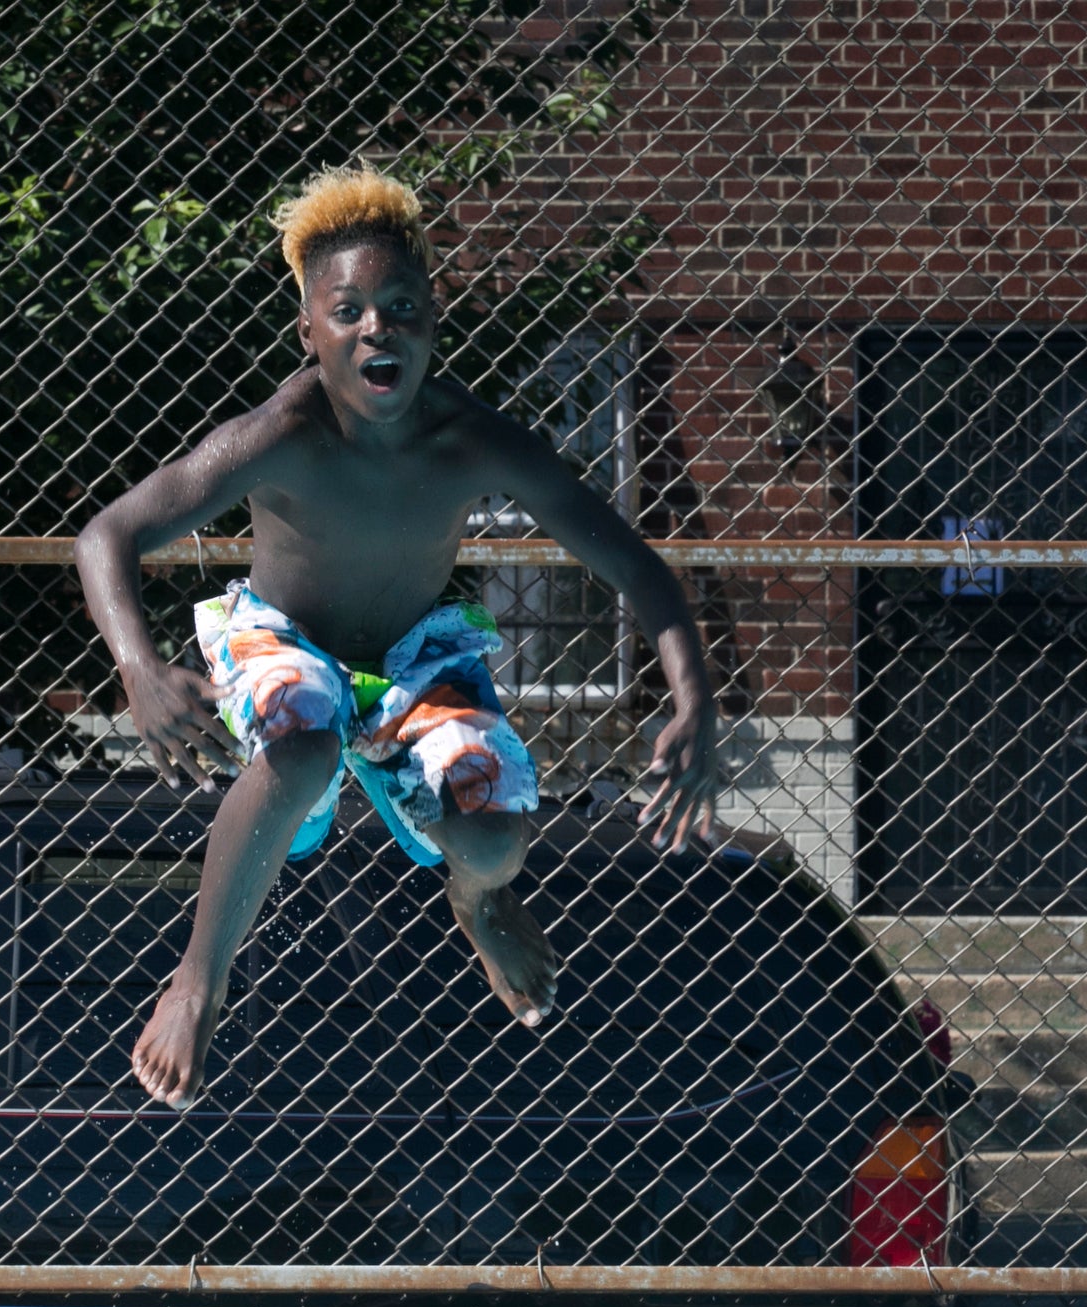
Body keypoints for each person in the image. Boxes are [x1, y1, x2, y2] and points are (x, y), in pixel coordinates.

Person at [75, 165, 725, 1110]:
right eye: (349, 312)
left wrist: (696, 700)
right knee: (302, 742)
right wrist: (138, 668)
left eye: (401, 306)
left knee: (496, 830)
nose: (377, 327)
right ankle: (197, 980)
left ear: (431, 323)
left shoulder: (474, 441)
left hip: (414, 661)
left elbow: (634, 564)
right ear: (311, 334)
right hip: (288, 643)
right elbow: (109, 534)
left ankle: (477, 899)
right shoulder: (280, 433)